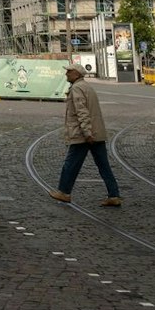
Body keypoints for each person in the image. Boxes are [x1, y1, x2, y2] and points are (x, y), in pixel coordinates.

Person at [49, 64, 121, 207]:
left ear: (76, 74)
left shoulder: (77, 88)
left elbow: (82, 112)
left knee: (71, 164)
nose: (66, 74)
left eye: (69, 72)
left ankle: (64, 192)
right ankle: (114, 195)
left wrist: (87, 133)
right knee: (103, 165)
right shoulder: (87, 87)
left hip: (84, 135)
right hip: (96, 133)